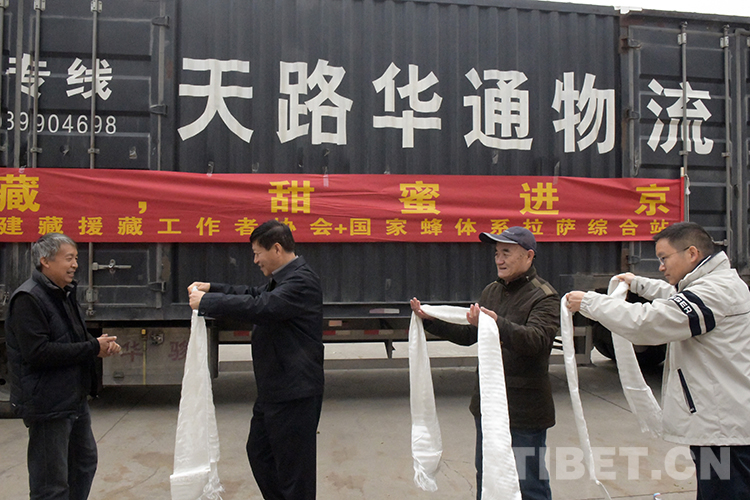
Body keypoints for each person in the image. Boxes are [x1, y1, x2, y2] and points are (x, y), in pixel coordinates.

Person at [566, 221, 750, 499]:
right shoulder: (715, 283)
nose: (661, 267)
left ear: (691, 254)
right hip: (722, 423)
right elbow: (677, 299)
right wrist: (637, 283)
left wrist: (591, 303)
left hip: (724, 430)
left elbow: (649, 323)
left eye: (664, 258)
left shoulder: (715, 291)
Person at [411, 226, 559, 500]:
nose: (499, 259)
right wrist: (431, 321)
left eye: (506, 253)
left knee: (529, 484)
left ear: (528, 256)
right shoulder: (492, 291)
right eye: (496, 253)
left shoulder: (544, 296)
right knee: (488, 479)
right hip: (488, 407)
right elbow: (470, 335)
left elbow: (537, 341)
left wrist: (496, 323)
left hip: (524, 411)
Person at [188, 219, 324, 500]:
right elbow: (253, 294)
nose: (255, 260)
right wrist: (212, 288)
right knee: (260, 452)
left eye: (257, 253)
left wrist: (207, 303)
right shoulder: (283, 279)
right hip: (275, 389)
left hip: (294, 392)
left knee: (294, 472)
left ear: (277, 249)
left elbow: (263, 306)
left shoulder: (302, 281)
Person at [5, 233, 121, 500]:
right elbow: (38, 353)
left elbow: (73, 338)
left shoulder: (63, 293)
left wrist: (99, 346)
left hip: (72, 398)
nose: (75, 265)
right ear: (45, 261)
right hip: (48, 403)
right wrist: (92, 347)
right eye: (69, 258)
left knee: (83, 464)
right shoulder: (28, 299)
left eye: (76, 258)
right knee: (51, 484)